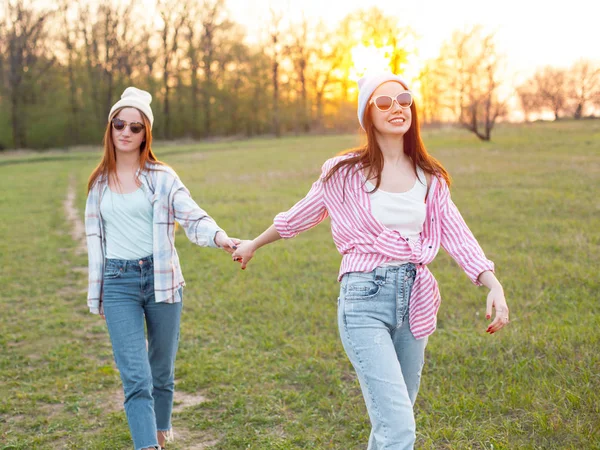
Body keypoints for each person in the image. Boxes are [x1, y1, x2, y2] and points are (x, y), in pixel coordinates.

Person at [231, 73, 509, 449]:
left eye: (404, 99)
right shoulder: (344, 172)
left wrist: (492, 282)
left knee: (394, 421)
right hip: (364, 300)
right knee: (399, 428)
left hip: (415, 303)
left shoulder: (430, 178)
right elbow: (301, 215)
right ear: (368, 115)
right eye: (384, 102)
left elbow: (457, 234)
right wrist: (254, 243)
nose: (397, 107)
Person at [85, 87, 239, 450]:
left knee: (161, 372)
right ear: (110, 128)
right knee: (136, 378)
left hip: (162, 280)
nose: (126, 131)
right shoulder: (98, 185)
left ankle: (159, 433)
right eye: (119, 123)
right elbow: (96, 245)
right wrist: (100, 294)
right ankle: (148, 445)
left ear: (145, 134)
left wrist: (221, 238)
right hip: (119, 283)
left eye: (135, 127)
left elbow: (192, 215)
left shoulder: (162, 177)